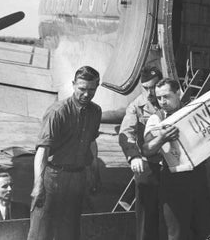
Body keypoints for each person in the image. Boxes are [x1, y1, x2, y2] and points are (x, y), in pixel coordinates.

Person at [27, 66, 102, 240]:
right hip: (53, 177)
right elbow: (42, 150)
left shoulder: (95, 111)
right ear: (73, 85)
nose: (86, 94)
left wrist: (94, 171)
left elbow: (91, 142)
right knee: (41, 230)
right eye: (82, 89)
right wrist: (38, 185)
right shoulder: (58, 111)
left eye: (92, 90)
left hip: (77, 177)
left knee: (70, 231)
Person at [143, 78, 210, 240]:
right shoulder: (156, 120)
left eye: (166, 96)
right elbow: (146, 149)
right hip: (172, 179)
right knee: (176, 232)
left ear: (179, 93)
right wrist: (161, 138)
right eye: (159, 98)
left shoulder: (194, 112)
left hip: (198, 176)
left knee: (203, 227)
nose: (162, 102)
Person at [119, 66, 163, 240]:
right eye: (146, 88)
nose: (150, 92)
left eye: (154, 86)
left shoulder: (172, 99)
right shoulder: (136, 106)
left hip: (172, 164)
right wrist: (134, 155)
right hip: (149, 163)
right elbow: (126, 134)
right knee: (146, 218)